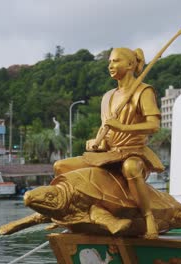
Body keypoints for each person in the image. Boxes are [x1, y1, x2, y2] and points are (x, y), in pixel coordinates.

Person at [53, 47, 164, 239]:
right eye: (110, 62)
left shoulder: (143, 91)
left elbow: (153, 125)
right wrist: (97, 142)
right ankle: (76, 212)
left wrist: (122, 127)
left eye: (116, 61)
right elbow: (105, 129)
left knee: (130, 168)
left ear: (130, 64)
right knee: (61, 166)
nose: (110, 65)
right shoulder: (108, 97)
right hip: (109, 154)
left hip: (134, 152)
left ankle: (148, 217)